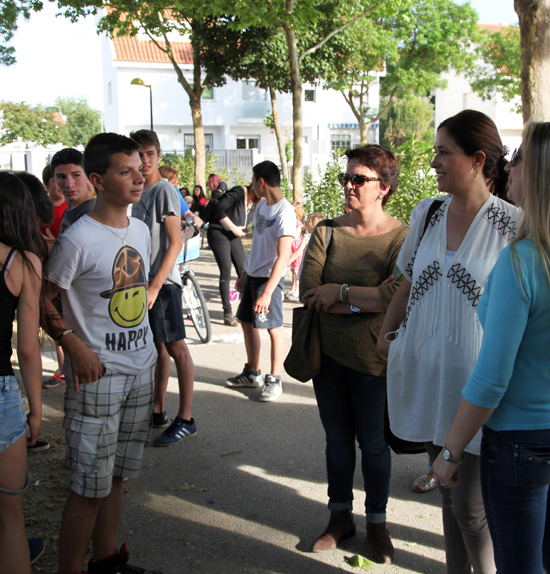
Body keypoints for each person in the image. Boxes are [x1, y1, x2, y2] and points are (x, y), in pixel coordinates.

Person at [378, 109, 521, 574]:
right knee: (446, 493)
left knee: (472, 510)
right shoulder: (429, 212)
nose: (434, 161)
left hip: (476, 390)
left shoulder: (512, 226)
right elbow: (404, 283)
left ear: (478, 159)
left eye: (444, 152)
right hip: (428, 378)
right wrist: (387, 336)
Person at [433, 123, 550, 574]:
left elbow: (492, 376)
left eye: (519, 155)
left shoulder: (522, 261)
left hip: (521, 442)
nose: (510, 165)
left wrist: (450, 453)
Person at [43, 133, 161, 574]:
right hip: (98, 376)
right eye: (125, 170)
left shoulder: (141, 229)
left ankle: (107, 562)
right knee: (88, 486)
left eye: (139, 167)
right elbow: (42, 298)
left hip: (141, 368)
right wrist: (72, 344)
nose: (139, 176)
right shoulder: (78, 239)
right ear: (98, 180)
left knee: (116, 478)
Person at [299, 145, 407, 563]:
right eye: (347, 177)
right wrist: (368, 299)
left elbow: (395, 296)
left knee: (376, 446)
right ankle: (339, 518)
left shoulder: (401, 237)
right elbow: (311, 292)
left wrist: (339, 293)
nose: (348, 184)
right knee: (338, 443)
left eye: (359, 179)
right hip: (328, 357)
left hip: (375, 361)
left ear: (384, 187)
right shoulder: (326, 231)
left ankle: (377, 523)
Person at [130, 129, 197, 446]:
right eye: (138, 155)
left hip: (163, 285)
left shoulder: (164, 190)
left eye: (149, 154)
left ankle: (186, 419)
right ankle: (157, 410)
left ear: (158, 155)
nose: (144, 160)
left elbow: (174, 243)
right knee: (159, 348)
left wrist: (156, 286)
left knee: (176, 348)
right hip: (145, 283)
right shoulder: (139, 192)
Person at [0, 171, 46, 574]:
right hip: (0, 393)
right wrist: (36, 408)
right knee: (10, 515)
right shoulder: (23, 262)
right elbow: (28, 350)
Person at [226, 161, 295, 402]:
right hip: (252, 275)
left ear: (261, 182)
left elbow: (284, 256)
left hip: (269, 280)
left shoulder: (286, 212)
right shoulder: (262, 207)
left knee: (274, 328)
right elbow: (257, 244)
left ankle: (275, 380)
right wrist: (245, 272)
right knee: (246, 321)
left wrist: (268, 292)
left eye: (253, 181)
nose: (252, 186)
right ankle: (252, 373)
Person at [205, 184, 247, 326]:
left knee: (244, 270)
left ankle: (245, 310)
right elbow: (219, 209)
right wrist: (234, 228)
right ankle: (228, 313)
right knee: (226, 272)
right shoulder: (239, 191)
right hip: (218, 231)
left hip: (232, 233)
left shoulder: (253, 200)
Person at [51, 148, 95, 236]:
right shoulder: (70, 210)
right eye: (61, 177)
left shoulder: (91, 213)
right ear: (54, 179)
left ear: (87, 176)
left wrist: (54, 248)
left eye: (76, 175)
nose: (69, 184)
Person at [285, 202, 306, 301]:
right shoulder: (290, 221)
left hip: (296, 247)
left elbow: (297, 236)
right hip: (291, 247)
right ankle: (293, 288)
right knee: (293, 270)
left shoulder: (298, 223)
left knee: (296, 270)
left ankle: (297, 289)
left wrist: (288, 238)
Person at [41, 163, 66, 239]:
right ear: (46, 183)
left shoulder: (75, 206)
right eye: (56, 180)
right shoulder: (37, 208)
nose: (63, 184)